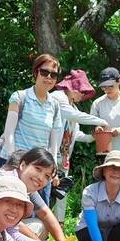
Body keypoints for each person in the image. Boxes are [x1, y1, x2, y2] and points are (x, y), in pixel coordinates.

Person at [0, 147, 79, 241]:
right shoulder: (4, 184)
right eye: (38, 169)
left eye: (47, 176)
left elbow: (13, 230)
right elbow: (4, 235)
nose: (41, 178)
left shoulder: (23, 185)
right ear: (22, 165)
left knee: (38, 225)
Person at [0, 53, 64, 205]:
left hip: (41, 168)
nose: (49, 77)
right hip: (17, 163)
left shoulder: (54, 104)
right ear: (36, 72)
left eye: (53, 74)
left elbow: (54, 141)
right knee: (9, 207)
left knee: (39, 212)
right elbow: (9, 132)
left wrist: (53, 168)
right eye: (44, 72)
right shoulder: (20, 97)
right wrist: (13, 161)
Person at [50, 70, 109, 223]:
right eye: (82, 91)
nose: (83, 95)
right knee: (45, 191)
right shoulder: (58, 97)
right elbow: (74, 116)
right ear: (71, 87)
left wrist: (92, 138)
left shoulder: (73, 107)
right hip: (49, 155)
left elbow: (76, 135)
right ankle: (40, 228)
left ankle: (59, 225)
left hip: (63, 159)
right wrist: (100, 121)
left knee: (62, 192)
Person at [80, 67, 120, 167]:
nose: (107, 90)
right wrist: (97, 128)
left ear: (119, 81)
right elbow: (92, 127)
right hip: (104, 153)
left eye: (110, 86)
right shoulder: (97, 103)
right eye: (104, 87)